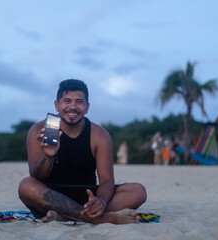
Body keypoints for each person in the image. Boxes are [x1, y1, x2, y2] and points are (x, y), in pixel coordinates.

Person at [18, 79, 147, 224]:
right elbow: (36, 176)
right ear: (57, 105)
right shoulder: (39, 130)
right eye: (67, 101)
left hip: (88, 197)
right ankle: (102, 218)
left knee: (138, 191)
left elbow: (107, 180)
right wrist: (48, 157)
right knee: (26, 185)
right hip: (51, 197)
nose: (73, 107)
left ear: (87, 107)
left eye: (79, 102)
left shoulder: (99, 135)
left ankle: (66, 217)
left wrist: (101, 202)